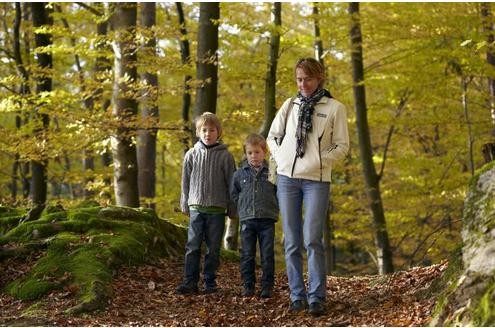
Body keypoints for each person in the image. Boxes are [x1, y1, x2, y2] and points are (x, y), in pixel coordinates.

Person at [267, 58, 349, 316]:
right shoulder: (289, 105)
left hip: (317, 181)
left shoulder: (335, 108)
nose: (303, 84)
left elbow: (342, 146)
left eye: (308, 79)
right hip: (287, 180)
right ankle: (296, 296)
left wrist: (319, 160)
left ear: (320, 78)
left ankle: (316, 297)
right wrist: (281, 158)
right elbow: (272, 137)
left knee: (312, 239)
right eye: (299, 79)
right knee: (291, 241)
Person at [176, 112, 237, 295]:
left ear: (218, 132)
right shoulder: (191, 154)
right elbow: (185, 181)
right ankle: (190, 282)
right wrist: (184, 203)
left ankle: (210, 281)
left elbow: (231, 184)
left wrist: (232, 208)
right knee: (193, 246)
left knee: (213, 248)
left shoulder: (226, 156)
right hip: (196, 207)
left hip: (217, 209)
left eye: (212, 130)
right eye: (204, 130)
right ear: (198, 132)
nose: (207, 133)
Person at [230, 133, 279, 298]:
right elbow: (234, 194)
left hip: (267, 219)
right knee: (247, 254)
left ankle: (267, 286)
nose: (254, 156)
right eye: (250, 152)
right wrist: (243, 207)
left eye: (257, 152)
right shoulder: (239, 174)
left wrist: (274, 207)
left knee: (267, 253)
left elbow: (278, 193)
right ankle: (248, 285)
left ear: (264, 152)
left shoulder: (272, 172)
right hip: (247, 220)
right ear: (246, 153)